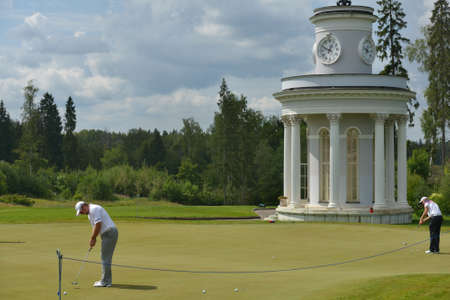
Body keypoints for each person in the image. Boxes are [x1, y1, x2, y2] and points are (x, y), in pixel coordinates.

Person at [75, 201, 119, 287]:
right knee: (105, 257)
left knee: (105, 257)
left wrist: (93, 238)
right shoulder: (89, 214)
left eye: (81, 211)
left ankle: (105, 281)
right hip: (106, 234)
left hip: (109, 232)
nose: (81, 213)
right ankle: (107, 281)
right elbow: (95, 227)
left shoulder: (94, 209)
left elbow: (98, 224)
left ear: (84, 206)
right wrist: (94, 239)